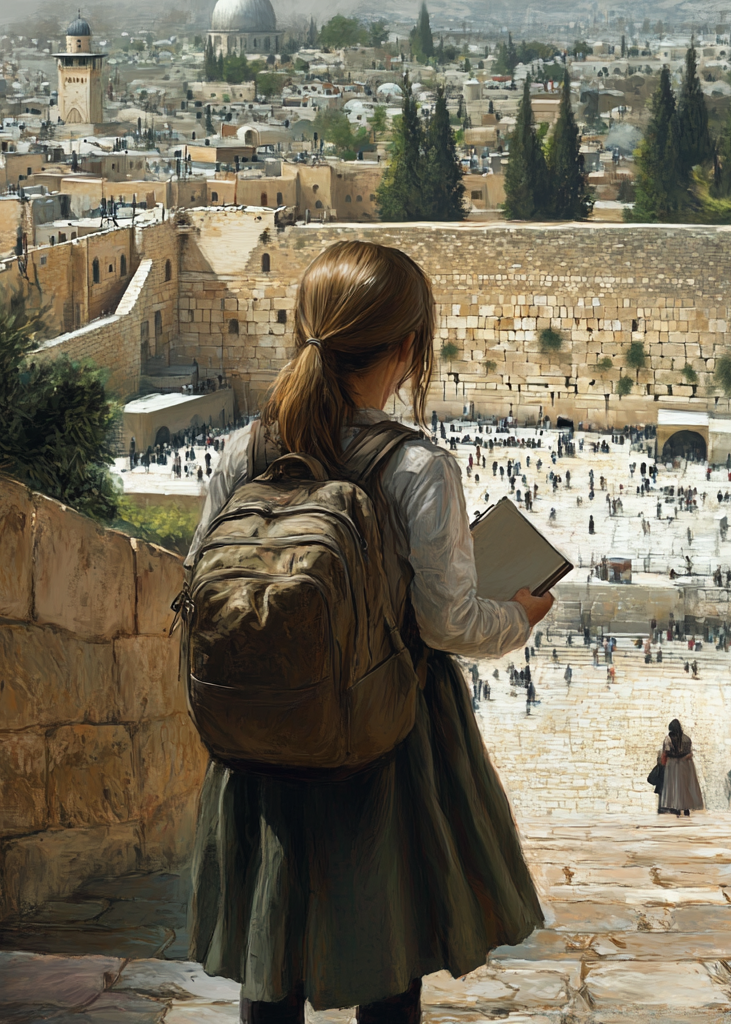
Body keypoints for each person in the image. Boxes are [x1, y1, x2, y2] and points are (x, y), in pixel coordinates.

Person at [184, 241, 548, 1023]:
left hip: (262, 739)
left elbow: (197, 586)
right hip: (382, 744)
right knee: (388, 958)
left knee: (268, 956)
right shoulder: (416, 467)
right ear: (410, 347)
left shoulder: (242, 451)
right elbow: (448, 622)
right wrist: (520, 614)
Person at [659, 719, 704, 817]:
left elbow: (666, 751)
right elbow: (689, 751)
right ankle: (686, 808)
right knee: (685, 787)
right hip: (686, 764)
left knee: (675, 787)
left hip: (673, 765)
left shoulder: (668, 739)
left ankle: (677, 808)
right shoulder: (687, 738)